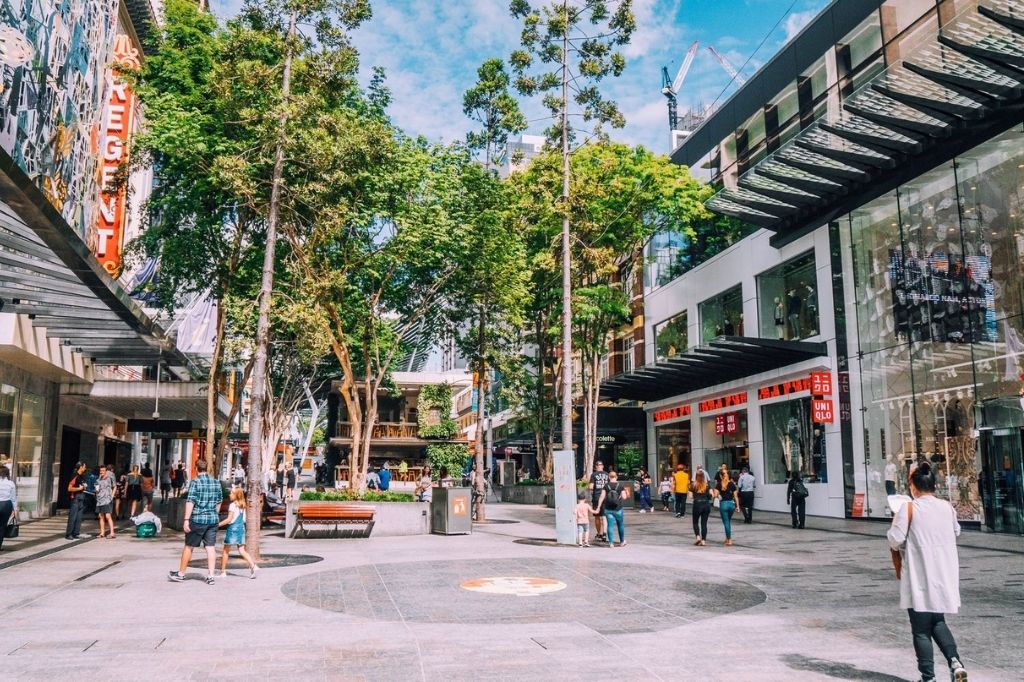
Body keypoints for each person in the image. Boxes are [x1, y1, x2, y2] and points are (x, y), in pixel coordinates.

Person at [887, 462, 968, 682]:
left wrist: (895, 521)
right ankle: (956, 663)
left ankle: (928, 677)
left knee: (921, 628)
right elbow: (956, 531)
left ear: (913, 486)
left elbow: (895, 539)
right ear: (933, 485)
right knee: (938, 621)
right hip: (943, 573)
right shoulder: (946, 507)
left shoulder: (909, 508)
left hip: (919, 576)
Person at [168, 458, 223, 585]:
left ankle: (181, 574)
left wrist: (186, 520)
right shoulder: (216, 482)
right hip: (213, 519)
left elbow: (190, 501)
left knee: (189, 546)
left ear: (196, 468)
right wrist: (215, 513)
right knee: (210, 547)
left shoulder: (195, 482)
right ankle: (210, 576)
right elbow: (219, 500)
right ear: (207, 468)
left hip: (198, 519)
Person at [217, 488, 259, 579]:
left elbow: (229, 519)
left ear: (236, 495)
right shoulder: (242, 505)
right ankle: (253, 565)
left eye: (231, 493)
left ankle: (223, 572)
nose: (229, 494)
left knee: (225, 551)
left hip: (232, 529)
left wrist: (218, 525)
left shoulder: (232, 505)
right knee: (242, 550)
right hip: (241, 529)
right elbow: (243, 519)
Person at [597, 471, 628, 547]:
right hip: (618, 509)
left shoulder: (606, 486)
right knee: (620, 525)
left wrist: (598, 506)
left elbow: (602, 496)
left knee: (610, 525)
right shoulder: (620, 486)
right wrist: (625, 493)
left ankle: (611, 543)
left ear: (609, 477)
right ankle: (622, 541)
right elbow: (624, 497)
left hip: (608, 509)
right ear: (616, 477)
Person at [714, 467, 738, 546]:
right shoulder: (732, 484)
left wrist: (717, 494)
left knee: (726, 522)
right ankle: (727, 538)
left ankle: (729, 539)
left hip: (723, 504)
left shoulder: (719, 484)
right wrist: (738, 506)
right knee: (728, 521)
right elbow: (736, 496)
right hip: (731, 504)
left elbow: (715, 495)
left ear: (721, 476)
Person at [65, 462, 88, 540]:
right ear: (80, 467)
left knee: (79, 517)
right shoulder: (74, 476)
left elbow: (82, 486)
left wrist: (84, 486)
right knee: (73, 516)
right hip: (75, 498)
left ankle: (76, 533)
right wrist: (79, 488)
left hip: (81, 497)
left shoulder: (82, 476)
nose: (85, 468)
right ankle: (69, 534)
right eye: (84, 467)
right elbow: (69, 488)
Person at [690, 469, 712, 546]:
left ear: (696, 477)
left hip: (697, 504)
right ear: (703, 476)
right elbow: (711, 495)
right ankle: (703, 541)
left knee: (695, 522)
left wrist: (696, 496)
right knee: (704, 523)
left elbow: (690, 496)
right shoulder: (707, 485)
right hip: (706, 504)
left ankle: (698, 537)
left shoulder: (693, 485)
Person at [588, 461, 609, 542]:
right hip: (606, 497)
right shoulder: (607, 474)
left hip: (597, 497)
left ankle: (599, 534)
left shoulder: (594, 475)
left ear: (596, 467)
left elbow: (591, 487)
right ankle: (604, 533)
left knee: (597, 516)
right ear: (602, 466)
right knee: (604, 516)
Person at [95, 465, 116, 539]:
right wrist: (97, 493)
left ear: (106, 471)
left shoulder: (109, 478)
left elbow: (115, 486)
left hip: (107, 499)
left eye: (103, 471)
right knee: (101, 516)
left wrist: (112, 496)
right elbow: (97, 490)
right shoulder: (98, 480)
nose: (101, 472)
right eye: (100, 471)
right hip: (100, 500)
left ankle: (112, 533)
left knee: (108, 516)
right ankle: (102, 533)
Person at [0, 465, 16, 551]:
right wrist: (15, 510)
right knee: (2, 526)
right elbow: (13, 498)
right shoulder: (11, 483)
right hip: (6, 505)